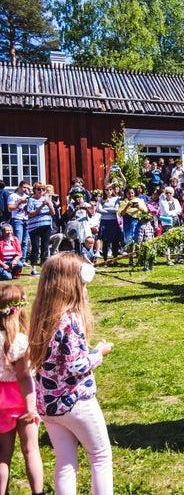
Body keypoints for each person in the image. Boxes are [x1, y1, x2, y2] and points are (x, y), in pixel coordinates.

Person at [28, 253, 114, 494]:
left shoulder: (41, 316)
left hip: (48, 404)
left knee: (65, 463)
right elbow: (76, 366)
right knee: (100, 456)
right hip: (75, 401)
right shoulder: (70, 318)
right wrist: (100, 353)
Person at [0, 285, 44, 495]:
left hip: (1, 402)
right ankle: (38, 492)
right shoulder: (18, 341)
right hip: (20, 398)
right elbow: (24, 376)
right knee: (31, 449)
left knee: (2, 455)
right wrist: (31, 406)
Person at [26, 182, 56, 276]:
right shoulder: (31, 200)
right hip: (34, 226)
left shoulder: (46, 199)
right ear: (35, 190)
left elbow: (53, 213)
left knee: (45, 246)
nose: (41, 191)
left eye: (43, 189)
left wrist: (49, 205)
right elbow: (31, 213)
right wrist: (42, 206)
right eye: (39, 189)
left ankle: (44, 267)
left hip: (46, 225)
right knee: (35, 247)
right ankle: (33, 268)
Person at [7, 181, 30, 265]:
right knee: (18, 240)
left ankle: (23, 259)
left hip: (26, 219)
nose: (25, 189)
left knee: (25, 241)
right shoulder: (13, 196)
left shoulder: (28, 197)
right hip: (17, 219)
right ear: (19, 187)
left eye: (27, 188)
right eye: (24, 187)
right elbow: (10, 208)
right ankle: (16, 258)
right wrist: (19, 203)